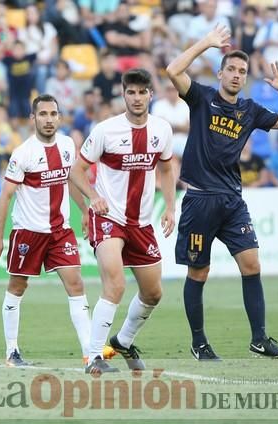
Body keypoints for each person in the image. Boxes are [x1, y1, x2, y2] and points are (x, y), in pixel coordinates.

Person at [166, 25, 278, 360]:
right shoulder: (201, 97)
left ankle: (259, 338)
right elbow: (172, 70)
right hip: (199, 200)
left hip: (232, 200)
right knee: (199, 272)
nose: (237, 75)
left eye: (242, 71)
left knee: (252, 264)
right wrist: (206, 43)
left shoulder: (250, 110)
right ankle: (199, 343)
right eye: (232, 69)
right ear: (221, 72)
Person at [70, 69, 176, 375]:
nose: (137, 97)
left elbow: (167, 170)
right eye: (131, 92)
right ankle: (93, 357)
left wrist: (170, 208)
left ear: (150, 95)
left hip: (141, 223)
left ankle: (124, 340)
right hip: (108, 217)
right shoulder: (106, 130)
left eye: (143, 92)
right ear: (123, 94)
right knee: (115, 285)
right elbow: (76, 171)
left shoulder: (162, 130)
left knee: (153, 293)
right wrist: (92, 197)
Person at [0, 94, 94, 367]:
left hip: (60, 231)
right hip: (29, 232)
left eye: (53, 114)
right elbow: (5, 196)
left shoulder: (68, 145)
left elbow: (70, 178)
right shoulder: (23, 153)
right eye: (43, 114)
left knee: (76, 283)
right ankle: (12, 351)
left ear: (59, 117)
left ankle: (90, 354)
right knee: (17, 285)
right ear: (33, 119)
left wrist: (84, 210)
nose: (49, 119)